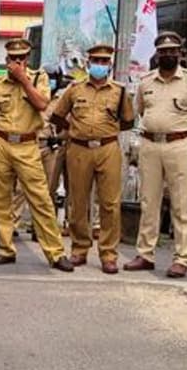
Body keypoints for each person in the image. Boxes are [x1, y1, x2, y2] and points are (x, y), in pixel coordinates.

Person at [126, 31, 187, 278]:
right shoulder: (146, 81)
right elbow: (139, 112)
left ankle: (182, 258)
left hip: (179, 146)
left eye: (172, 50)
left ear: (180, 54)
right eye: (163, 51)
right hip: (150, 145)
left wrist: (185, 134)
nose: (168, 54)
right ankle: (145, 254)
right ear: (157, 54)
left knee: (182, 204)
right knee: (148, 202)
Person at [0, 38, 75, 271]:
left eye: (22, 58)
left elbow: (42, 104)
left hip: (27, 145)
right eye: (13, 59)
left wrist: (24, 79)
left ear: (27, 59)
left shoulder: (38, 78)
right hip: (2, 142)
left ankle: (55, 253)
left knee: (41, 199)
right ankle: (5, 248)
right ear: (6, 60)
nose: (17, 62)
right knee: (1, 199)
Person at [50, 44, 135, 274]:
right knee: (78, 201)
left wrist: (106, 130)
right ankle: (79, 248)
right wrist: (76, 128)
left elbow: (128, 120)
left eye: (104, 61)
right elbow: (57, 116)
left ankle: (108, 253)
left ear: (110, 65)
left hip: (108, 148)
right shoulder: (74, 89)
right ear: (88, 63)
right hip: (78, 149)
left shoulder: (119, 91)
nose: (100, 65)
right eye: (96, 61)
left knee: (110, 203)